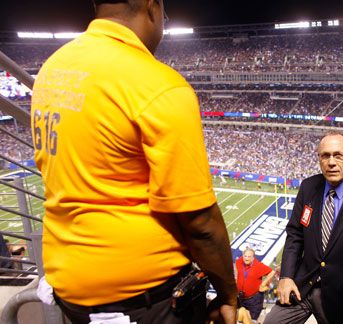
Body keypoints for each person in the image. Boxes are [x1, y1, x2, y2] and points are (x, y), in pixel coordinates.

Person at [31, 0, 237, 323]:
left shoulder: (51, 69)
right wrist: (228, 294)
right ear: (152, 7)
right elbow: (200, 224)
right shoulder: (157, 83)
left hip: (70, 289)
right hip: (144, 299)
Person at [264, 131, 343, 324]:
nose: (331, 162)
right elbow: (295, 234)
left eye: (338, 155)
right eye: (325, 155)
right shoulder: (308, 187)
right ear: (319, 159)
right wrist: (286, 276)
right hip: (303, 286)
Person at [235, 247, 275, 321]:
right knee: (240, 319)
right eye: (245, 256)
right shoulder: (239, 262)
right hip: (241, 297)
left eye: (249, 256)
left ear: (253, 258)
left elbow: (272, 272)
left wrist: (263, 284)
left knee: (252, 320)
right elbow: (238, 272)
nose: (246, 258)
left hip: (254, 300)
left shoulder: (258, 265)